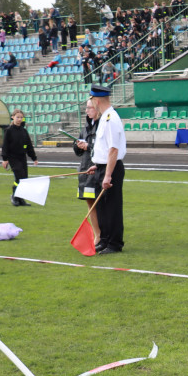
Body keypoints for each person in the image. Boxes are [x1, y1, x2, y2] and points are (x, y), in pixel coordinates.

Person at [89, 84, 126, 254]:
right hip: (102, 167)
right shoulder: (105, 117)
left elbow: (113, 149)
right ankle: (104, 240)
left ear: (96, 100)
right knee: (102, 207)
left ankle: (114, 243)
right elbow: (105, 149)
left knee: (112, 207)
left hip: (110, 169)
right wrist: (98, 164)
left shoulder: (111, 118)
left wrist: (108, 175)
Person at [73, 97, 100, 246]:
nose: (86, 110)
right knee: (90, 203)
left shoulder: (102, 125)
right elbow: (77, 148)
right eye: (86, 108)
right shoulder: (86, 126)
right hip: (85, 169)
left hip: (97, 169)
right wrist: (77, 145)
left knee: (100, 203)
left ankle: (101, 235)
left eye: (89, 108)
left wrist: (88, 146)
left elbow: (103, 149)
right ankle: (98, 234)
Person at [1, 109, 38, 206]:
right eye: (17, 117)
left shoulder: (24, 131)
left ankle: (21, 199)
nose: (19, 119)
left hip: (22, 157)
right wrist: (4, 159)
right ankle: (14, 196)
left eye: (21, 117)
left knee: (24, 179)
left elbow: (29, 145)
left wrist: (34, 157)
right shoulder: (8, 131)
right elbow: (5, 145)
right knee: (19, 177)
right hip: (13, 157)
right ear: (13, 117)